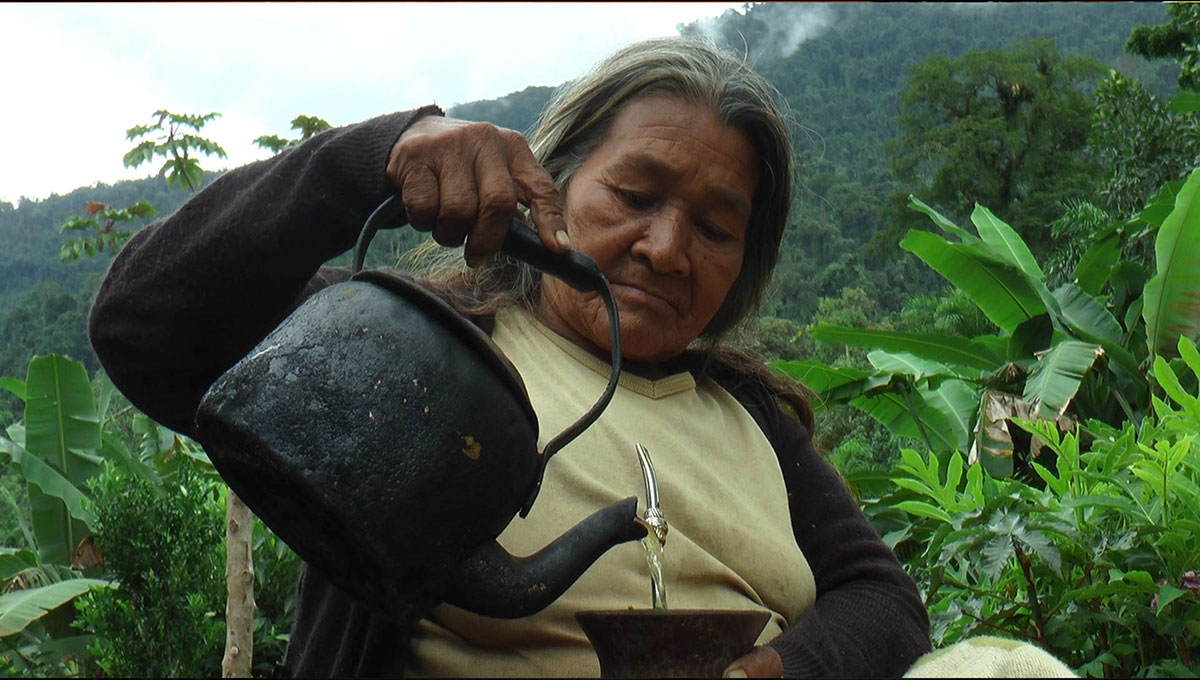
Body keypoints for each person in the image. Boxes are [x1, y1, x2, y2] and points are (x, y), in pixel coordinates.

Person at [88, 37, 932, 677]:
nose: (668, 249)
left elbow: (883, 599)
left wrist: (781, 669)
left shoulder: (754, 421)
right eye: (634, 197)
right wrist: (369, 161)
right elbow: (144, 328)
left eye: (715, 228)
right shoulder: (415, 350)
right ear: (551, 187)